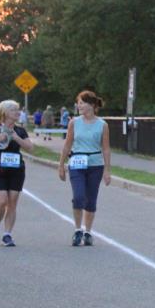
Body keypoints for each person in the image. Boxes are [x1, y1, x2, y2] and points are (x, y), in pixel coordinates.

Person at [58, 91, 111, 246]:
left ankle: (88, 232)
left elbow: (106, 148)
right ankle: (77, 230)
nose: (79, 106)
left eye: (82, 103)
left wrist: (107, 170)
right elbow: (67, 145)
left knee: (91, 200)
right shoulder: (74, 122)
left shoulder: (102, 125)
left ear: (92, 105)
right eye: (78, 103)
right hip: (76, 163)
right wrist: (61, 165)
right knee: (79, 197)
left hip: (95, 165)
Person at [0, 100, 34, 247]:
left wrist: (17, 138)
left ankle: (7, 235)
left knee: (12, 202)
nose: (17, 113)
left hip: (16, 169)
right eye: (13, 110)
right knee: (1, 201)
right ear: (4, 112)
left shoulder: (20, 130)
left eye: (17, 110)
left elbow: (30, 148)